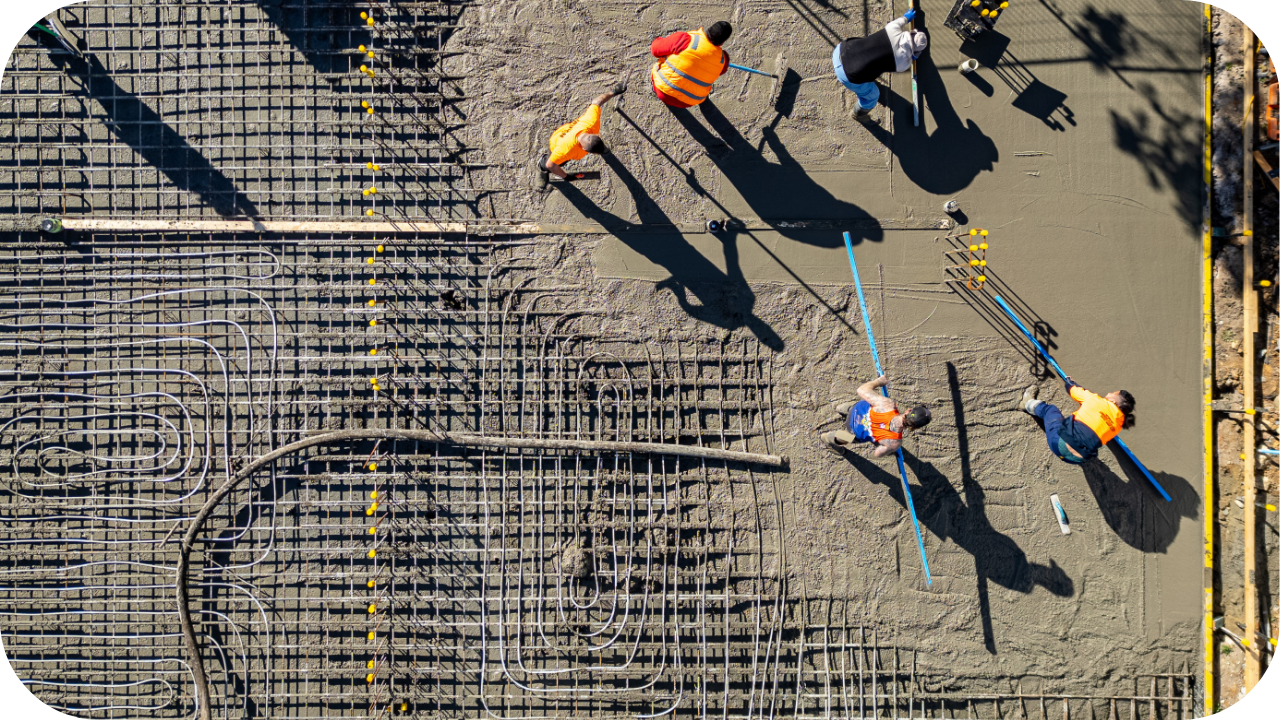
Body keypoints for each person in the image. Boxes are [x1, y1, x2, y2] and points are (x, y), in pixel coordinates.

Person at [832, 8, 927, 121]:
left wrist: (906, 17)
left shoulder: (893, 29)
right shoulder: (903, 64)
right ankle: (859, 114)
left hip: (841, 50)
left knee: (870, 50)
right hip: (847, 75)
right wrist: (912, 57)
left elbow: (902, 20)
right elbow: (907, 60)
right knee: (873, 96)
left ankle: (864, 75)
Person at [1019, 379, 1135, 465]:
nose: (1108, 393)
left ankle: (1026, 403)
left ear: (1114, 401)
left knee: (1051, 410)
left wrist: (1070, 381)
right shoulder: (1118, 426)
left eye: (1112, 393)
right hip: (1076, 460)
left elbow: (1071, 389)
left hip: (1058, 443)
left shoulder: (1095, 399)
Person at [537, 85, 626, 188]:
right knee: (554, 164)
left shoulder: (591, 123)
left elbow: (597, 102)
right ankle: (541, 169)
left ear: (595, 135)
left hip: (569, 131)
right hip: (557, 141)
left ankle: (602, 149)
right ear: (584, 149)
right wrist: (565, 176)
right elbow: (550, 165)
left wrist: (613, 92)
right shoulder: (566, 150)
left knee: (597, 146)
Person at [821, 374, 932, 457]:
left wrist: (878, 382)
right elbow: (878, 454)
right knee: (845, 437)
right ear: (916, 427)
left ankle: (841, 408)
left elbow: (861, 390)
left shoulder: (888, 405)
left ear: (908, 411)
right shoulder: (895, 442)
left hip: (856, 410)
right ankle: (826, 438)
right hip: (853, 432)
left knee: (859, 406)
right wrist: (887, 448)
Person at [649, 21, 733, 109]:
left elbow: (655, 50)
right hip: (689, 102)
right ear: (722, 43)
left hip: (663, 91)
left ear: (708, 29)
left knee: (667, 58)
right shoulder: (723, 60)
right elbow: (721, 72)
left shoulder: (685, 39)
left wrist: (659, 40)